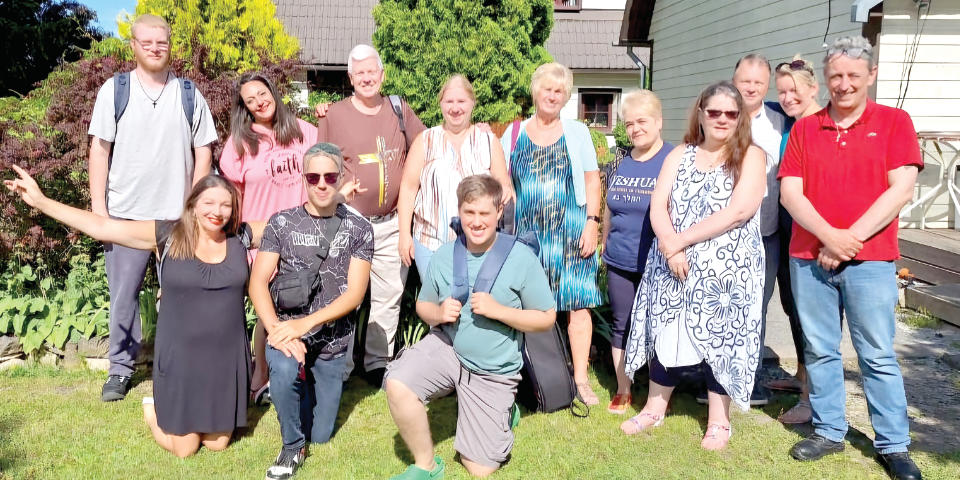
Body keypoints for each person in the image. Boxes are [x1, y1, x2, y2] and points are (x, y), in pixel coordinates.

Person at [6, 168, 258, 457]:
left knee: (217, 444)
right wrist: (41, 201)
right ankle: (152, 411)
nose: (217, 211)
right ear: (193, 204)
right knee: (185, 449)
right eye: (209, 203)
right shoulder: (167, 234)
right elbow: (103, 227)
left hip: (223, 361)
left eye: (226, 205)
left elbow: (288, 225)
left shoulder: (240, 238)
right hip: (181, 359)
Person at [780, 36, 923, 480]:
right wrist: (828, 237)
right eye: (836, 75)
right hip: (808, 257)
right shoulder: (806, 128)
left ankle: (893, 445)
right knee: (820, 350)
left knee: (876, 353)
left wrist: (849, 240)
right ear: (826, 78)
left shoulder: (895, 122)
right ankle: (828, 431)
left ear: (871, 76)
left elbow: (901, 188)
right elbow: (790, 192)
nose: (844, 84)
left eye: (853, 76)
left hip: (872, 260)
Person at [619, 81, 766, 451]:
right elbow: (658, 206)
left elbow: (739, 212)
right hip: (672, 263)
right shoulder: (680, 154)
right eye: (713, 112)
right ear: (700, 113)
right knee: (666, 331)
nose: (721, 119)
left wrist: (679, 241)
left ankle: (719, 420)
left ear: (740, 118)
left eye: (730, 113)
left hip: (727, 273)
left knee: (721, 341)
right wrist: (670, 246)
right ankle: (654, 407)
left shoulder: (752, 156)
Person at [384, 174, 556, 479]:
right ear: (459, 211)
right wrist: (437, 313)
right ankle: (426, 465)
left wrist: (499, 310)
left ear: (498, 213)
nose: (476, 222)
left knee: (479, 468)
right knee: (398, 383)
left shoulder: (521, 257)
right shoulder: (445, 255)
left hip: (492, 368)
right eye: (469, 213)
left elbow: (546, 317)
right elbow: (424, 305)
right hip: (448, 349)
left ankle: (504, 411)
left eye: (484, 214)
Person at [87, 14, 217, 401]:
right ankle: (120, 370)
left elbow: (204, 152)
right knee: (123, 297)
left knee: (183, 296)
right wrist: (98, 210)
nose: (155, 48)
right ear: (134, 46)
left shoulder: (190, 93)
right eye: (147, 43)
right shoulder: (115, 90)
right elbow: (99, 149)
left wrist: (194, 211)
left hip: (176, 220)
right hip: (125, 216)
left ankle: (181, 365)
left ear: (169, 45)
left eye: (161, 43)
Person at [248, 143, 374, 480]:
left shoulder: (359, 229)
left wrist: (308, 323)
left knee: (321, 434)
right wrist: (275, 328)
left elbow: (355, 294)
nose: (321, 183)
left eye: (330, 176)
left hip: (331, 341)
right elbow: (258, 282)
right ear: (303, 179)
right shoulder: (282, 223)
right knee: (288, 374)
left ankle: (299, 385)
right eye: (313, 176)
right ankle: (291, 447)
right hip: (287, 331)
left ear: (340, 178)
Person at [315, 44, 427, 385]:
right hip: (349, 222)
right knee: (345, 293)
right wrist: (336, 192)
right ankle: (341, 364)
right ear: (350, 78)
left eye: (371, 72)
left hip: (393, 221)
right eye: (359, 73)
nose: (366, 78)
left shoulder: (398, 109)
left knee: (389, 293)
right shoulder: (333, 115)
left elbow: (426, 145)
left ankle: (378, 362)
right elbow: (320, 165)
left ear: (382, 75)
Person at [500, 62, 603, 405]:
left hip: (572, 232)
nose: (552, 95)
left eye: (559, 91)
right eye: (547, 89)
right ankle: (529, 378)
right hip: (528, 237)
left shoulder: (577, 132)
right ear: (535, 91)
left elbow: (591, 178)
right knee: (526, 306)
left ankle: (580, 380)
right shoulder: (513, 134)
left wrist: (592, 222)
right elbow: (501, 182)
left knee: (577, 305)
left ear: (566, 96)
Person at [220, 72, 319, 403]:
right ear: (244, 108)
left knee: (297, 303)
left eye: (262, 94)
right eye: (251, 100)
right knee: (270, 306)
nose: (259, 102)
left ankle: (292, 371)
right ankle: (260, 374)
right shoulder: (239, 144)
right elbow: (232, 197)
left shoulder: (304, 132)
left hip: (302, 233)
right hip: (262, 237)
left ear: (273, 92)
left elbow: (330, 162)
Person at [397, 74, 514, 284]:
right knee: (441, 308)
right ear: (441, 104)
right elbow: (407, 188)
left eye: (461, 101)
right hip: (430, 242)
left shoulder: (488, 141)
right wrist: (404, 234)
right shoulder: (425, 140)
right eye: (449, 101)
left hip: (480, 244)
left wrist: (506, 190)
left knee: (475, 306)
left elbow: (504, 186)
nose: (455, 108)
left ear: (472, 103)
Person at [600, 90, 673, 414]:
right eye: (629, 124)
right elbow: (608, 208)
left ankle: (658, 397)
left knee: (660, 326)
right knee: (622, 324)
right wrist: (604, 241)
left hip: (657, 262)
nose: (635, 129)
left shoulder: (673, 159)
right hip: (619, 259)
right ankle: (623, 388)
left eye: (642, 121)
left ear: (658, 122)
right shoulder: (620, 160)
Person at [731, 53, 789, 407]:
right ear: (734, 80)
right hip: (724, 232)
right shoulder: (721, 115)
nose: (751, 88)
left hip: (766, 233)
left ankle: (749, 380)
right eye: (745, 81)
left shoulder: (780, 121)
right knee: (720, 302)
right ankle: (715, 378)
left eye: (758, 82)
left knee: (756, 307)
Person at [769, 54, 822, 425]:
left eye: (795, 90)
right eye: (782, 91)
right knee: (791, 303)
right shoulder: (786, 121)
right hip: (787, 224)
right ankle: (802, 375)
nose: (788, 97)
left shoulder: (824, 124)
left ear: (813, 88)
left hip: (815, 226)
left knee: (815, 312)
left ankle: (814, 399)